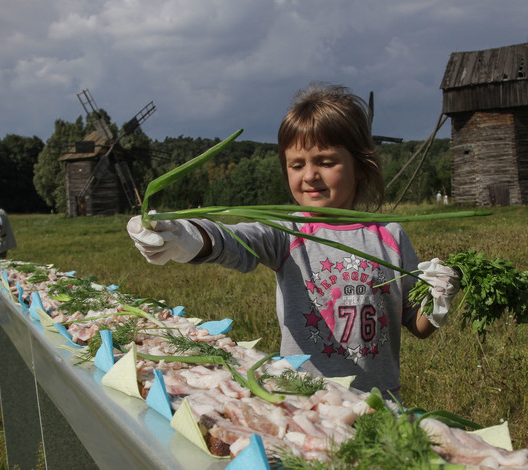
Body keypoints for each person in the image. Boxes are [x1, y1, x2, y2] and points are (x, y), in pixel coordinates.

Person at [128, 83, 459, 400]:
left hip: (380, 404)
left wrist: (438, 300)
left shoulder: (390, 237)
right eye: (296, 165)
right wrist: (183, 237)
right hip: (306, 401)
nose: (310, 175)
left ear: (359, 165)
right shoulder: (286, 233)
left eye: (326, 162)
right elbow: (234, 240)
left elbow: (418, 325)